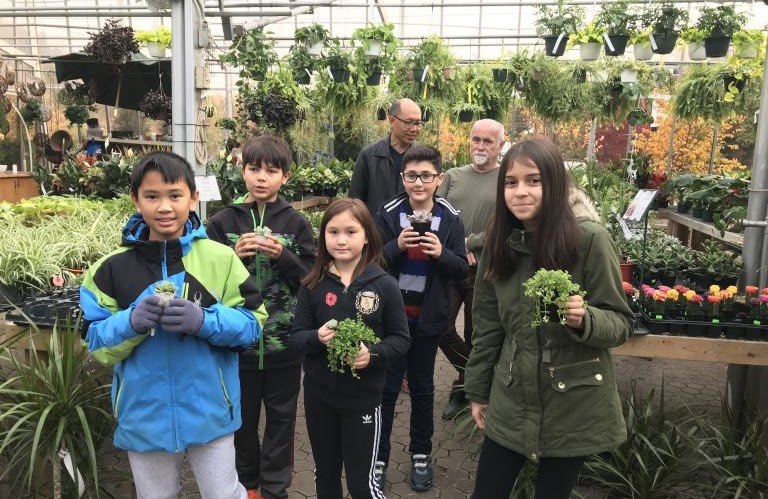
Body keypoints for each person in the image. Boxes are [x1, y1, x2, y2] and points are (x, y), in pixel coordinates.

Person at [80, 151, 268, 499]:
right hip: (143, 412)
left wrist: (204, 321)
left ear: (193, 198)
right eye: (152, 196)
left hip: (210, 408)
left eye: (175, 195)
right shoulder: (110, 270)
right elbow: (96, 344)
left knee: (223, 494)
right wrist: (130, 322)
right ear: (136, 200)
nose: (164, 207)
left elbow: (253, 323)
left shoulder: (220, 259)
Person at [464, 139, 634, 499]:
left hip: (572, 402)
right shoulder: (498, 243)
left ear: (554, 184)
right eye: (511, 182)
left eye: (533, 181)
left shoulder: (589, 240)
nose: (521, 192)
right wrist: (478, 390)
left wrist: (584, 318)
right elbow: (488, 329)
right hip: (512, 395)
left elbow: (620, 322)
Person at [207, 136, 317, 499]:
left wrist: (283, 256)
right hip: (236, 347)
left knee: (282, 423)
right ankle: (247, 486)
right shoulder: (222, 223)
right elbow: (206, 284)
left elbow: (311, 279)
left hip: (284, 346)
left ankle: (275, 488)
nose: (261, 178)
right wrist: (232, 256)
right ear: (242, 170)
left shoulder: (297, 223)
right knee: (241, 422)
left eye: (271, 171)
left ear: (285, 177)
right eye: (254, 169)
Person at [289, 198, 410, 499]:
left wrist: (372, 354)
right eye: (333, 232)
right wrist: (316, 337)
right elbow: (296, 337)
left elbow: (401, 339)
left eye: (351, 231)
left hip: (363, 400)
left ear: (367, 235)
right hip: (319, 398)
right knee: (325, 477)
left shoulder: (384, 285)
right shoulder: (313, 283)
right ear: (323, 236)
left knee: (361, 484)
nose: (341, 240)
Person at [373, 145, 468, 492]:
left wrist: (442, 254)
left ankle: (421, 454)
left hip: (427, 320)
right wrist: (395, 246)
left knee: (424, 388)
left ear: (439, 179)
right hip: (390, 322)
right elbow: (369, 261)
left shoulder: (450, 217)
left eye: (426, 175)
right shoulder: (387, 213)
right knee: (385, 390)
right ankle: (378, 457)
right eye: (411, 175)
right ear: (403, 178)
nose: (418, 182)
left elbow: (462, 270)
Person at [435, 118, 505, 419]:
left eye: (488, 141)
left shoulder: (506, 179)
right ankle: (473, 379)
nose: (480, 146)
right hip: (451, 265)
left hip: (485, 268)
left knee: (478, 334)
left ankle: (463, 389)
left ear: (500, 145)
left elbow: (506, 223)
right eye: (476, 139)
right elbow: (436, 214)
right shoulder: (452, 176)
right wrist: (458, 246)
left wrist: (473, 243)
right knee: (440, 326)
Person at [349, 98, 423, 214]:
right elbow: (355, 201)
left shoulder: (423, 156)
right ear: (392, 121)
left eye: (418, 123)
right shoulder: (369, 155)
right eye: (408, 123)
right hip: (376, 230)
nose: (414, 129)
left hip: (412, 229)